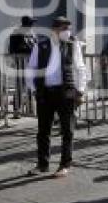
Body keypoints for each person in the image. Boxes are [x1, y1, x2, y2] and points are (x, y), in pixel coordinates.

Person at [26, 17, 88, 178]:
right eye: (64, 28)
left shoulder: (72, 46)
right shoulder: (41, 46)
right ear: (55, 30)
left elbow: (80, 68)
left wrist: (80, 91)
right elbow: (31, 69)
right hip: (45, 92)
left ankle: (64, 164)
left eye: (69, 28)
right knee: (43, 131)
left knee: (67, 130)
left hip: (65, 92)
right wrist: (34, 89)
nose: (68, 31)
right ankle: (42, 164)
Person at [7, 16, 37, 118]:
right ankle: (17, 110)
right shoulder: (16, 33)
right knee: (20, 86)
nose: (32, 26)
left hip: (31, 64)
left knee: (31, 86)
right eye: (31, 23)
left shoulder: (31, 33)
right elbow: (12, 50)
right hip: (21, 64)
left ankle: (30, 109)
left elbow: (35, 46)